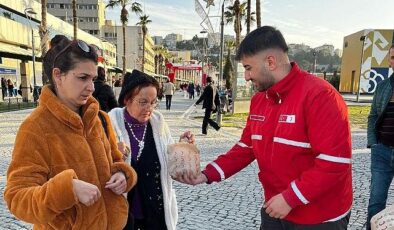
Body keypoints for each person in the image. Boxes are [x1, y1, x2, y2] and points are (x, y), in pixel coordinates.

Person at [176, 26, 352, 229]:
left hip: (319, 217)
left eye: (249, 68)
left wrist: (290, 198)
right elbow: (245, 148)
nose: (247, 76)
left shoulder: (321, 96)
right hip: (275, 209)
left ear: (270, 62)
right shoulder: (260, 99)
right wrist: (206, 175)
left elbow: (334, 163)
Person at [4, 36, 137, 229]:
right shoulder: (35, 127)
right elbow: (17, 198)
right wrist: (67, 190)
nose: (91, 87)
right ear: (58, 75)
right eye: (82, 78)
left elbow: (116, 161)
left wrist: (123, 175)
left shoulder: (100, 118)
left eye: (93, 79)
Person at [108, 70, 195, 230]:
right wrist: (112, 154)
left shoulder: (159, 124)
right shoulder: (110, 124)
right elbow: (98, 168)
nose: (149, 108)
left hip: (156, 214)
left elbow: (172, 169)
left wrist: (181, 147)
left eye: (153, 102)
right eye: (143, 102)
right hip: (123, 216)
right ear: (127, 99)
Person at [366, 44, 394, 230]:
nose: (393, 61)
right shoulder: (383, 86)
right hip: (382, 151)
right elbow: (373, 116)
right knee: (376, 201)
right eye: (392, 57)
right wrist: (373, 144)